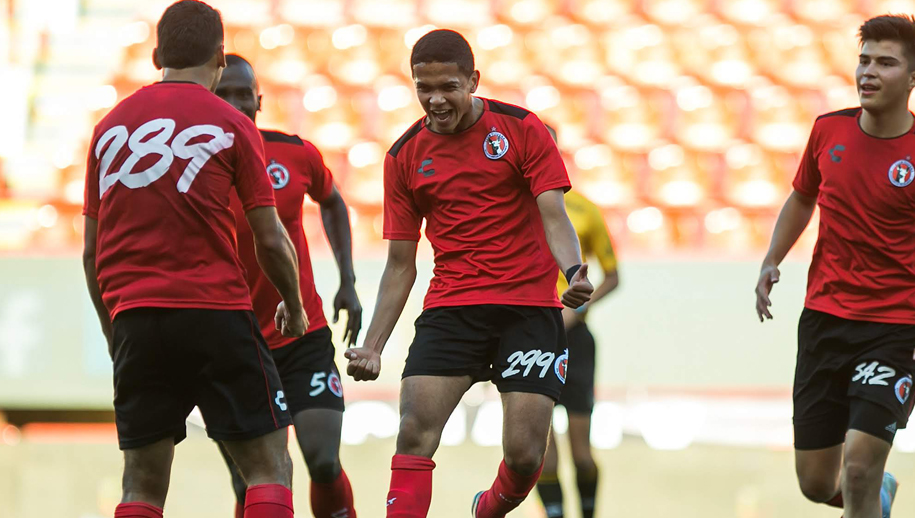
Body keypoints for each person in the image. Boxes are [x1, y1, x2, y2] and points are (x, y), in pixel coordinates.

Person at [343, 29, 594, 518]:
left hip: (528, 309)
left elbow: (553, 212)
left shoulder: (522, 129)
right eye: (423, 88)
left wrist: (572, 271)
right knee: (415, 433)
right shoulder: (403, 155)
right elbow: (399, 264)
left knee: (525, 456)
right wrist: (373, 344)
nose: (435, 100)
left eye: (448, 87)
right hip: (451, 309)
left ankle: (490, 508)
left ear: (473, 81)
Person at [754, 14, 915, 518]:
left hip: (895, 328)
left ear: (914, 79)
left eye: (886, 62)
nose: (869, 72)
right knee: (817, 484)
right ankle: (876, 498)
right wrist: (772, 259)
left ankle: (868, 491)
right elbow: (801, 197)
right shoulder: (827, 130)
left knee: (859, 466)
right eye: (864, 60)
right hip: (824, 322)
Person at [82, 0, 307, 518]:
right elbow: (270, 239)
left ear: (157, 54)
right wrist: (293, 306)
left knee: (140, 484)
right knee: (270, 469)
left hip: (137, 319)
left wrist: (114, 329)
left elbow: (92, 253)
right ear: (221, 59)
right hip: (217, 313)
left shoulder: (109, 130)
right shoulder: (232, 123)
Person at [214, 54, 363, 518]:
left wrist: (348, 281)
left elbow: (333, 202)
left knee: (321, 459)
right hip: (234, 341)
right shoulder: (194, 167)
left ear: (259, 100)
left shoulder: (295, 152)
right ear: (208, 100)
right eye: (225, 94)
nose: (237, 103)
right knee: (251, 480)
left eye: (245, 94)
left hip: (303, 333)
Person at [535, 125, 620, 518]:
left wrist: (578, 309)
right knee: (537, 453)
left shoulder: (585, 210)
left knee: (582, 453)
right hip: (530, 336)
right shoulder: (511, 208)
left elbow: (613, 275)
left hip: (574, 338)